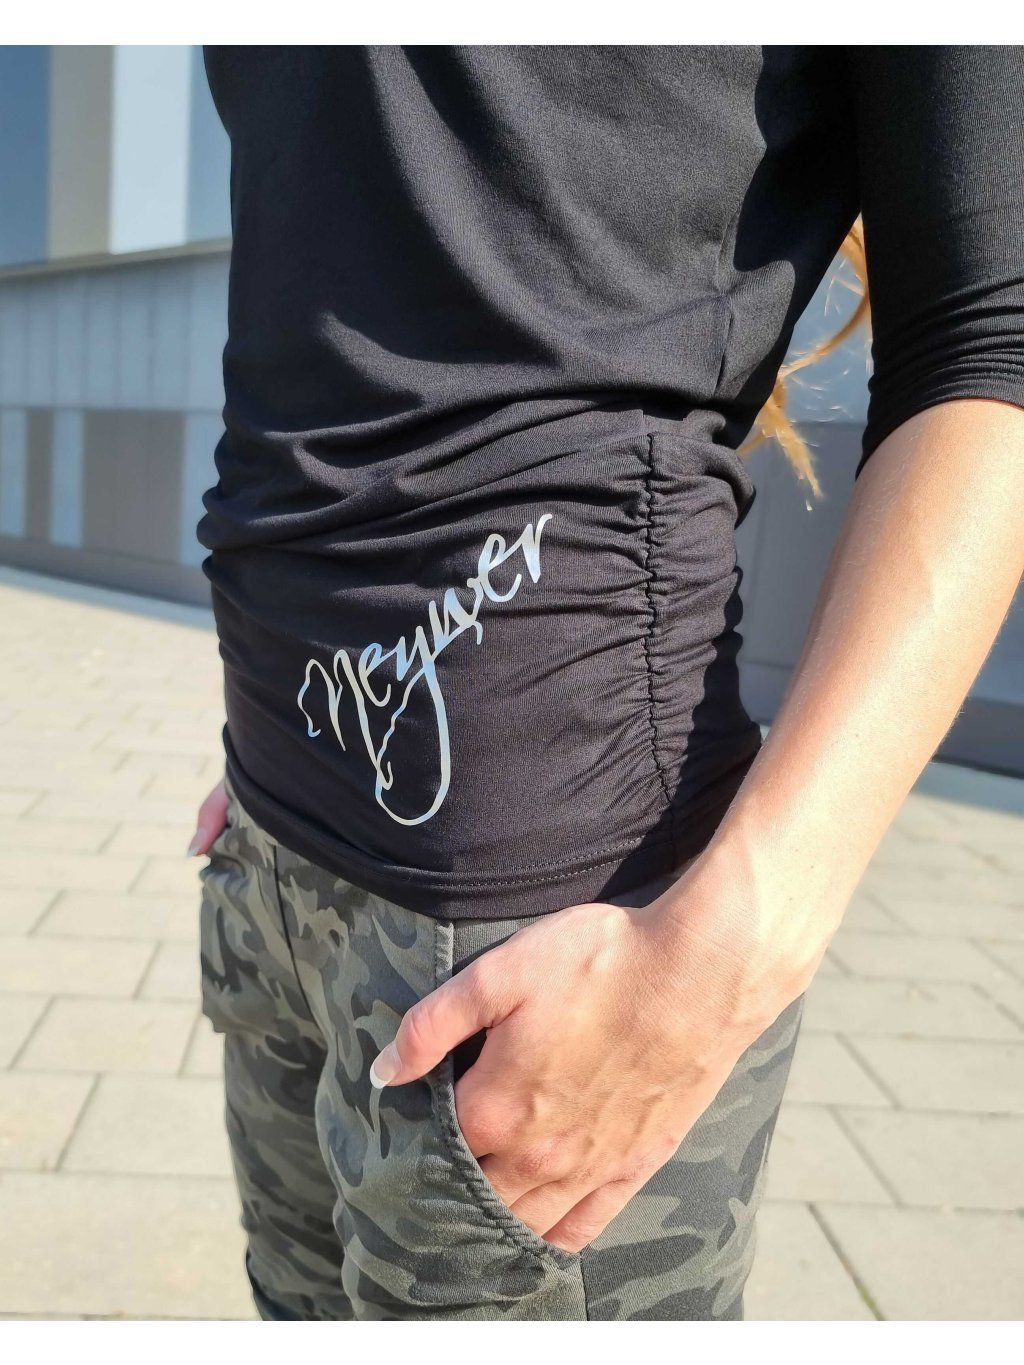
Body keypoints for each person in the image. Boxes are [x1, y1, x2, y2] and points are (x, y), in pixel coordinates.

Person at [189, 46, 1024, 1320]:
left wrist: (729, 952)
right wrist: (288, 714)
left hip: (542, 930)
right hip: (270, 846)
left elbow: (993, 331)